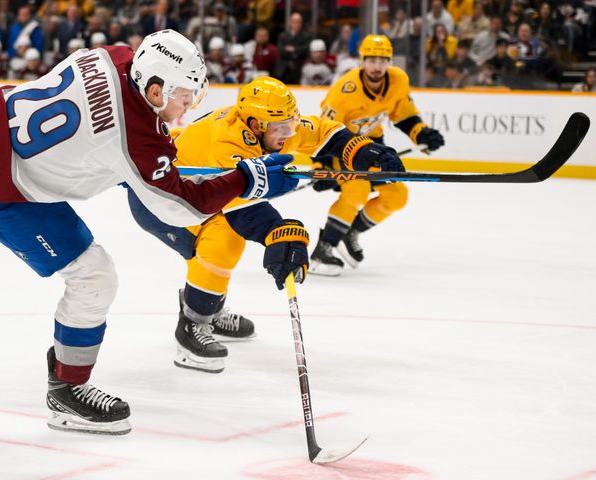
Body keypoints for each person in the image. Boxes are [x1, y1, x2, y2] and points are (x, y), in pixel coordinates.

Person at [0, 31, 302, 436]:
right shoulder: (134, 138)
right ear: (155, 90)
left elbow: (115, 137)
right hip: (1, 185)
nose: (189, 106)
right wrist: (249, 181)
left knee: (14, 232)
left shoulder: (115, 56)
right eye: (184, 96)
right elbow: (178, 208)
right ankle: (67, 391)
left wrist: (143, 164)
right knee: (94, 276)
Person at [125, 77, 405, 373]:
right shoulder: (228, 142)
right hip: (160, 202)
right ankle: (193, 324)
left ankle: (209, 305)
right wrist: (278, 232)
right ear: (256, 125)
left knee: (218, 239)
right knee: (223, 239)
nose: (289, 134)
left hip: (198, 194)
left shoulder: (271, 125)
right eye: (281, 128)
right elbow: (241, 210)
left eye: (291, 124)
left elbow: (323, 130)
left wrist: (364, 150)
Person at [315, 34, 444, 275]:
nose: (377, 66)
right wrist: (322, 166)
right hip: (342, 147)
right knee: (357, 191)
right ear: (362, 61)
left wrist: (421, 133)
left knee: (396, 195)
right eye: (372, 60)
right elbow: (324, 130)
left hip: (375, 146)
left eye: (383, 60)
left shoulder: (398, 80)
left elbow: (404, 114)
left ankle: (349, 232)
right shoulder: (345, 90)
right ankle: (324, 248)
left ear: (390, 62)